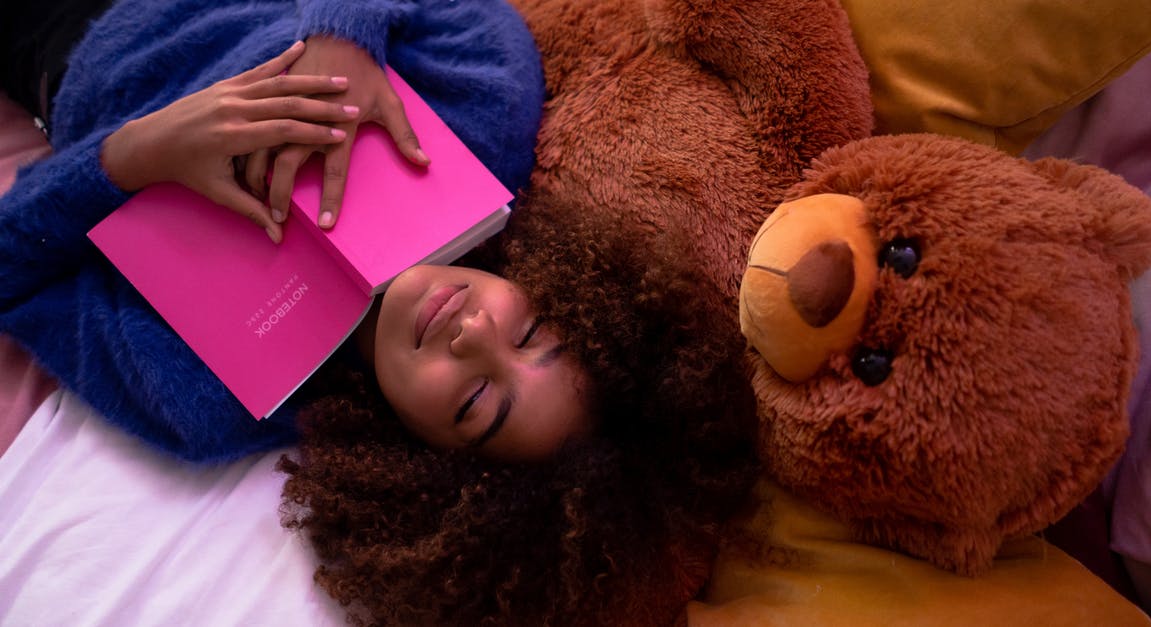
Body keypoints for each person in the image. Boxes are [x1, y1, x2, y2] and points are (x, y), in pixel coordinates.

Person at [1, 0, 760, 624]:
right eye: (530, 332)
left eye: (475, 400)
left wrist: (127, 157)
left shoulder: (207, 393)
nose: (472, 332)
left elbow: (15, 271)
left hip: (53, 45)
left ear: (431, 464)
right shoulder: (480, 121)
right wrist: (343, 32)